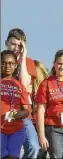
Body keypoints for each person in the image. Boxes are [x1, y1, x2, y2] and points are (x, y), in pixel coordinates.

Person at [5, 28, 40, 159]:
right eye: (13, 44)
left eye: (20, 45)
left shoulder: (28, 62)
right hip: (3, 112)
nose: (16, 48)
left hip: (22, 113)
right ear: (6, 43)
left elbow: (25, 84)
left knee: (33, 147)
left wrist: (23, 58)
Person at [1, 50, 30, 159]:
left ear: (15, 65)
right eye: (4, 63)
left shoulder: (20, 86)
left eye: (11, 63)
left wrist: (21, 114)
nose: (7, 66)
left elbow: (26, 110)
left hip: (17, 130)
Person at [33, 60, 50, 159]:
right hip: (39, 122)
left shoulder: (45, 86)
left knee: (40, 149)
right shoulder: (48, 84)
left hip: (39, 122)